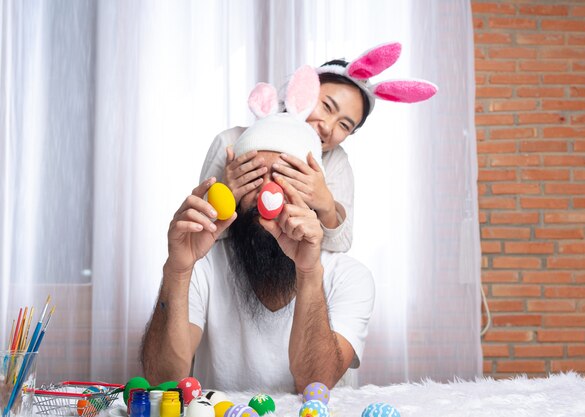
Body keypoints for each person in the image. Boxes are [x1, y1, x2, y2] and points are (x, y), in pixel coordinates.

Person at [141, 65, 375, 393]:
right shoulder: (202, 268)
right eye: (255, 176)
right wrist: (178, 268)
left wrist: (309, 268)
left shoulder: (350, 276)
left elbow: (315, 384)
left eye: (286, 178)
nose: (269, 192)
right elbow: (161, 383)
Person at [199, 42, 437, 253]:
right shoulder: (230, 141)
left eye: (344, 125)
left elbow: (341, 244)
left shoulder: (335, 162)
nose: (327, 127)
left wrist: (325, 203)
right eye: (326, 106)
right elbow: (199, 236)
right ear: (304, 90)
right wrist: (224, 192)